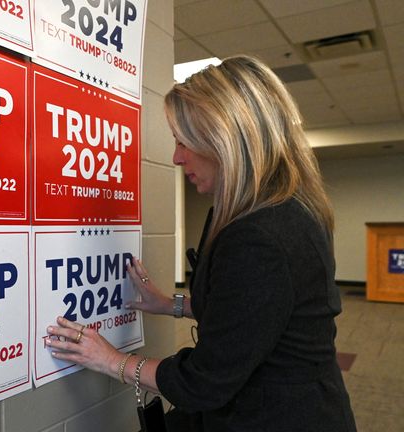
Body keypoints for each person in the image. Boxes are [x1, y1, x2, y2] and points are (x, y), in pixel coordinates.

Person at [45, 55, 357, 431]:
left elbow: (204, 381)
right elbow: (255, 312)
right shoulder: (273, 209)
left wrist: (110, 360)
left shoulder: (261, 234)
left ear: (225, 137)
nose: (176, 157)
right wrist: (170, 304)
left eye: (183, 141)